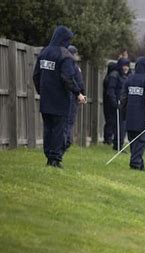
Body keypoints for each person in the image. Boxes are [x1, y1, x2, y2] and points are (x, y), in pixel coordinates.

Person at [32, 25, 86, 168]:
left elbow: (36, 75)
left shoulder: (44, 52)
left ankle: (49, 156)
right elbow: (67, 78)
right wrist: (78, 93)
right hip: (60, 100)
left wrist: (41, 91)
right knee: (58, 129)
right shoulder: (65, 55)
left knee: (48, 128)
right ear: (65, 39)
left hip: (46, 99)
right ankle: (55, 159)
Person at [119, 56, 145, 171]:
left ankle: (140, 166)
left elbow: (123, 98)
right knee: (141, 141)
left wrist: (123, 113)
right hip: (143, 118)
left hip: (130, 117)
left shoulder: (129, 79)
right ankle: (135, 164)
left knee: (134, 142)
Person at [107, 57, 131, 151]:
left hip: (125, 104)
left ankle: (119, 145)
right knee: (118, 126)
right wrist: (114, 102)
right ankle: (117, 145)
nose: (126, 68)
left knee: (123, 126)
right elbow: (111, 90)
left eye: (127, 66)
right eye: (124, 65)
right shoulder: (115, 75)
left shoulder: (129, 76)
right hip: (117, 104)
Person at [64, 45, 85, 151]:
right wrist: (81, 93)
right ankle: (66, 142)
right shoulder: (75, 67)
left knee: (65, 120)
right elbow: (79, 82)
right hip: (73, 96)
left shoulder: (65, 64)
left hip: (65, 96)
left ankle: (64, 141)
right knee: (70, 120)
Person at [103, 61, 117, 144]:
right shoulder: (110, 79)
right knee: (110, 121)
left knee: (109, 121)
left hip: (107, 102)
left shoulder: (107, 78)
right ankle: (107, 138)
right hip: (109, 102)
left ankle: (108, 137)